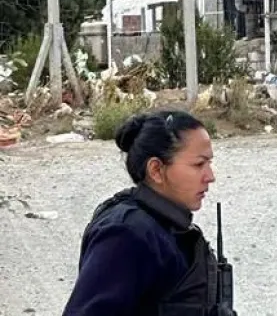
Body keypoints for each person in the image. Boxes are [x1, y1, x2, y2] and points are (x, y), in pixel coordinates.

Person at [62, 108, 233, 316]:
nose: (210, 176)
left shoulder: (169, 227)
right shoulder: (127, 234)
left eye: (209, 163)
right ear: (156, 170)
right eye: (199, 164)